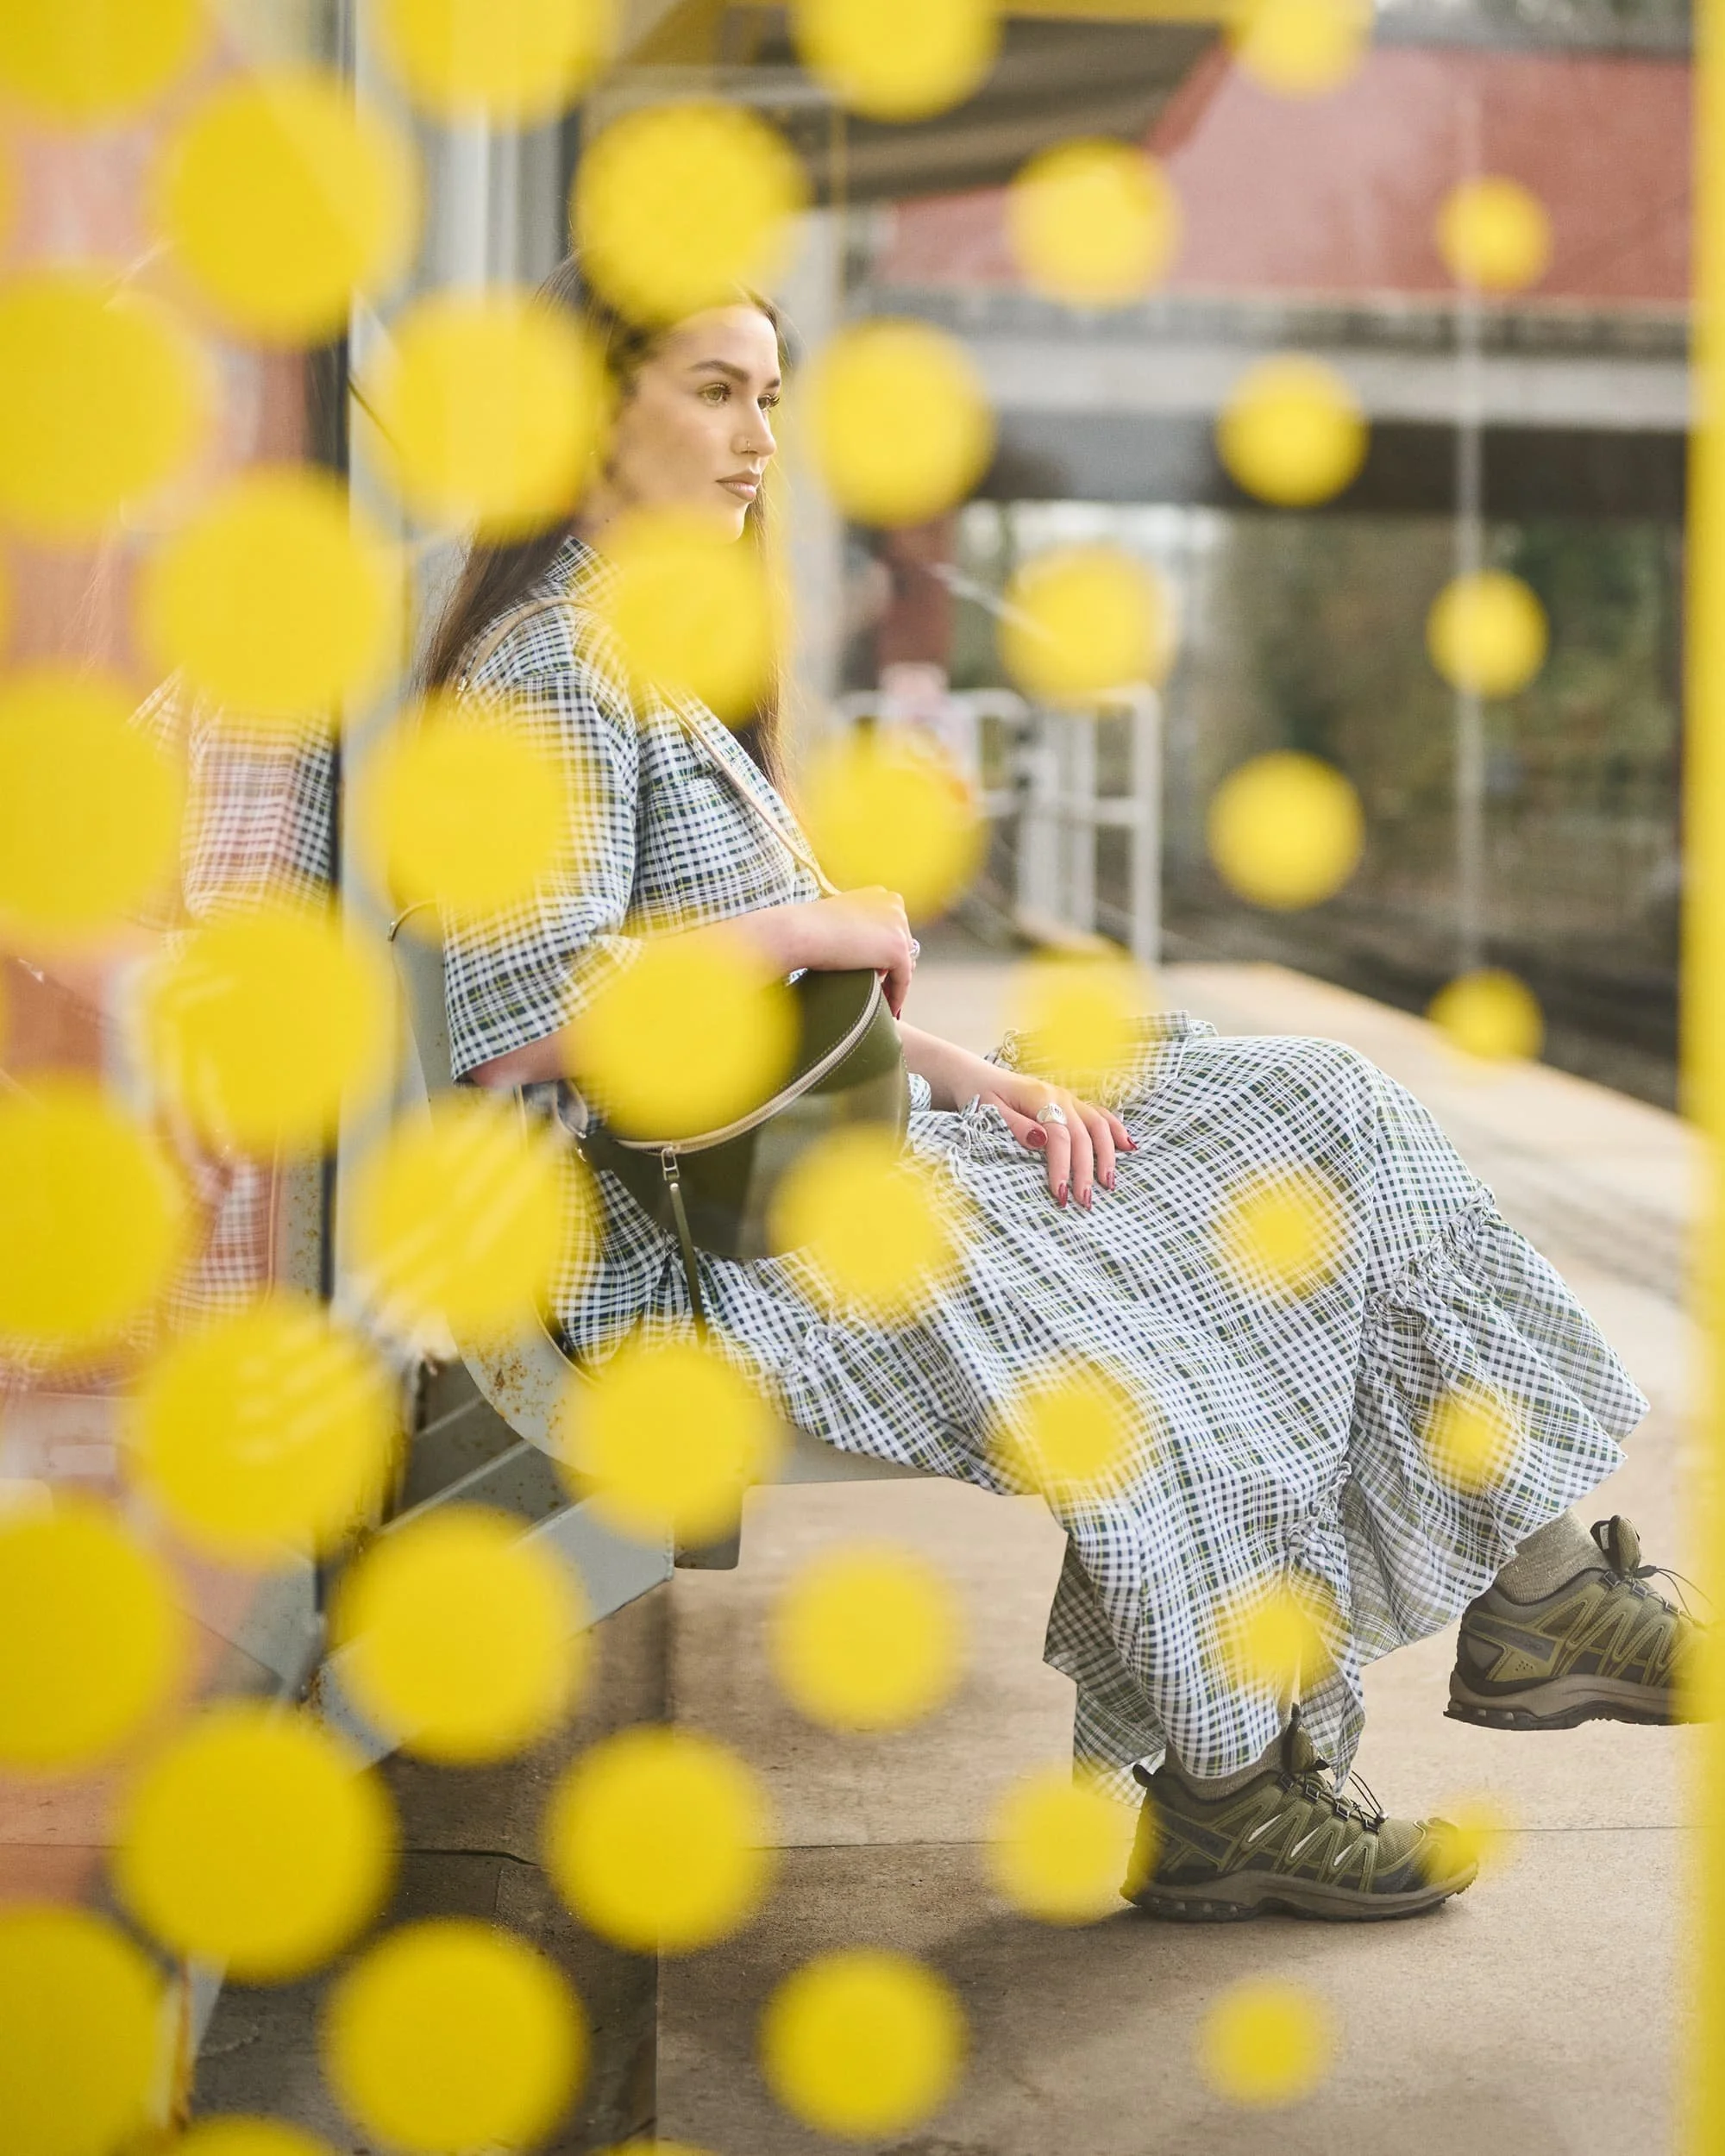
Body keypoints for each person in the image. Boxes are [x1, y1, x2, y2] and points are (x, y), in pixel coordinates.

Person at [423, 256, 1695, 1922]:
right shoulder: (554, 672)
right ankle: (1235, 1778)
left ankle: (1526, 1590)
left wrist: (962, 1075)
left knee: (1318, 1103)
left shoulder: (650, 652)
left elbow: (779, 1018)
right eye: (714, 390)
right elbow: (526, 1012)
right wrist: (822, 911)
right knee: (1179, 1273)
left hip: (772, 1165)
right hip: (689, 1255)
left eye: (771, 400)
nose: (755, 441)